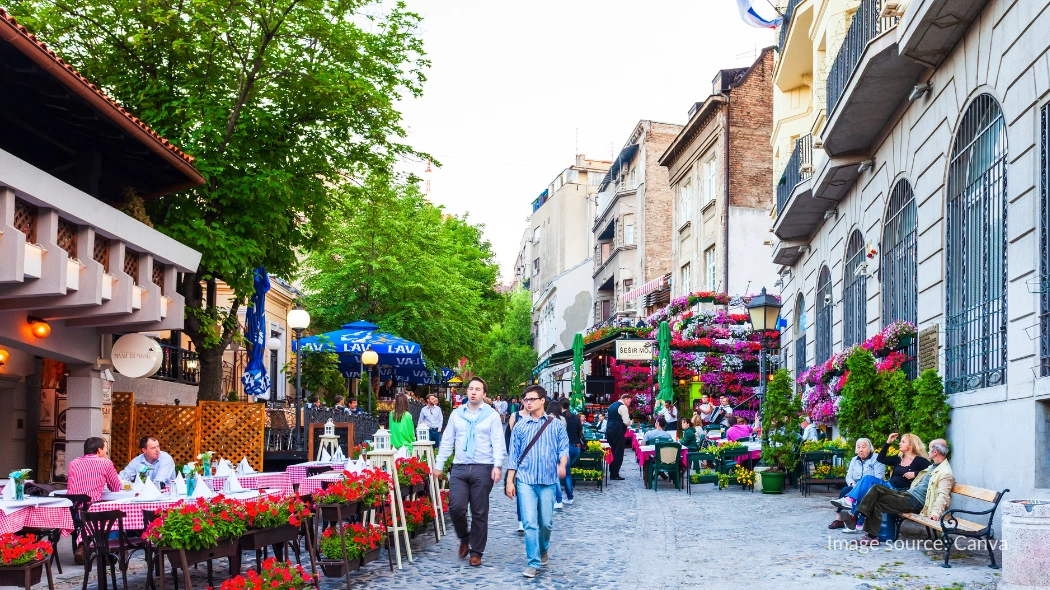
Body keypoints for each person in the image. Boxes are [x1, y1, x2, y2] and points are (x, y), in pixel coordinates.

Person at [434, 376, 506, 567]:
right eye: (471, 389)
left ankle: (476, 552)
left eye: (478, 389)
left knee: (479, 511)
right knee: (456, 508)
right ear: (467, 392)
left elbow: (498, 442)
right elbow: (447, 440)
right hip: (459, 467)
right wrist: (439, 464)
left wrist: (497, 466)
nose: (473, 392)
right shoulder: (457, 414)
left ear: (484, 394)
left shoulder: (491, 415)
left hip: (483, 467)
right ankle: (465, 537)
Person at [505, 385, 569, 578]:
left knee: (546, 523)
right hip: (525, 480)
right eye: (526, 399)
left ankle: (543, 548)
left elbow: (563, 448)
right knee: (530, 523)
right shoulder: (520, 426)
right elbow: (513, 456)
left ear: (543, 401)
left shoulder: (555, 424)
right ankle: (533, 562)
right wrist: (510, 481)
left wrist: (562, 464)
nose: (528, 402)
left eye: (532, 399)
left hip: (548, 480)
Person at [843, 439, 954, 545]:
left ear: (935, 452)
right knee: (876, 492)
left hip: (915, 501)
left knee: (876, 492)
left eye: (929, 450)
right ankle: (871, 536)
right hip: (908, 494)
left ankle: (857, 518)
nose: (928, 452)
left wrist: (936, 513)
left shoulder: (945, 472)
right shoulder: (933, 467)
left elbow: (943, 495)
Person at [832, 432, 931, 527]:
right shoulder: (899, 458)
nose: (900, 443)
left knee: (867, 484)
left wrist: (916, 473)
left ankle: (854, 512)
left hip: (901, 492)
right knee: (866, 481)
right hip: (888, 485)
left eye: (903, 442)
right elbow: (881, 459)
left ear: (911, 445)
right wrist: (888, 442)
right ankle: (856, 518)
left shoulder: (920, 461)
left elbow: (932, 472)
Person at [829, 438, 884, 529]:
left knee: (861, 493)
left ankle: (855, 517)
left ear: (870, 448)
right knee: (845, 490)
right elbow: (849, 476)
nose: (860, 449)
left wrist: (860, 486)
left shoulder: (877, 459)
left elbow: (879, 478)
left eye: (863, 447)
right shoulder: (854, 460)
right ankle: (839, 520)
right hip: (855, 486)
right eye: (858, 447)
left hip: (871, 487)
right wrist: (853, 484)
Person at [559, 398, 584, 505]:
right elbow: (580, 430)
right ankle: (567, 495)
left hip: (567, 447)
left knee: (567, 472)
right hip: (577, 447)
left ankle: (569, 497)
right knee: (567, 470)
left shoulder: (560, 418)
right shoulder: (575, 417)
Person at [606, 394, 634, 480]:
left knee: (613, 451)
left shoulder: (611, 406)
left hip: (609, 429)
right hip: (617, 430)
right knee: (618, 452)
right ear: (625, 399)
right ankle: (614, 474)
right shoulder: (623, 407)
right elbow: (626, 421)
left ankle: (612, 471)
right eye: (629, 401)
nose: (629, 403)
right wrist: (631, 422)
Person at [546, 402, 568, 509]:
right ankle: (558, 499)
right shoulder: (562, 419)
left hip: (550, 449)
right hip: (559, 449)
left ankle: (557, 499)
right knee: (555, 476)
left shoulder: (546, 419)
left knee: (553, 476)